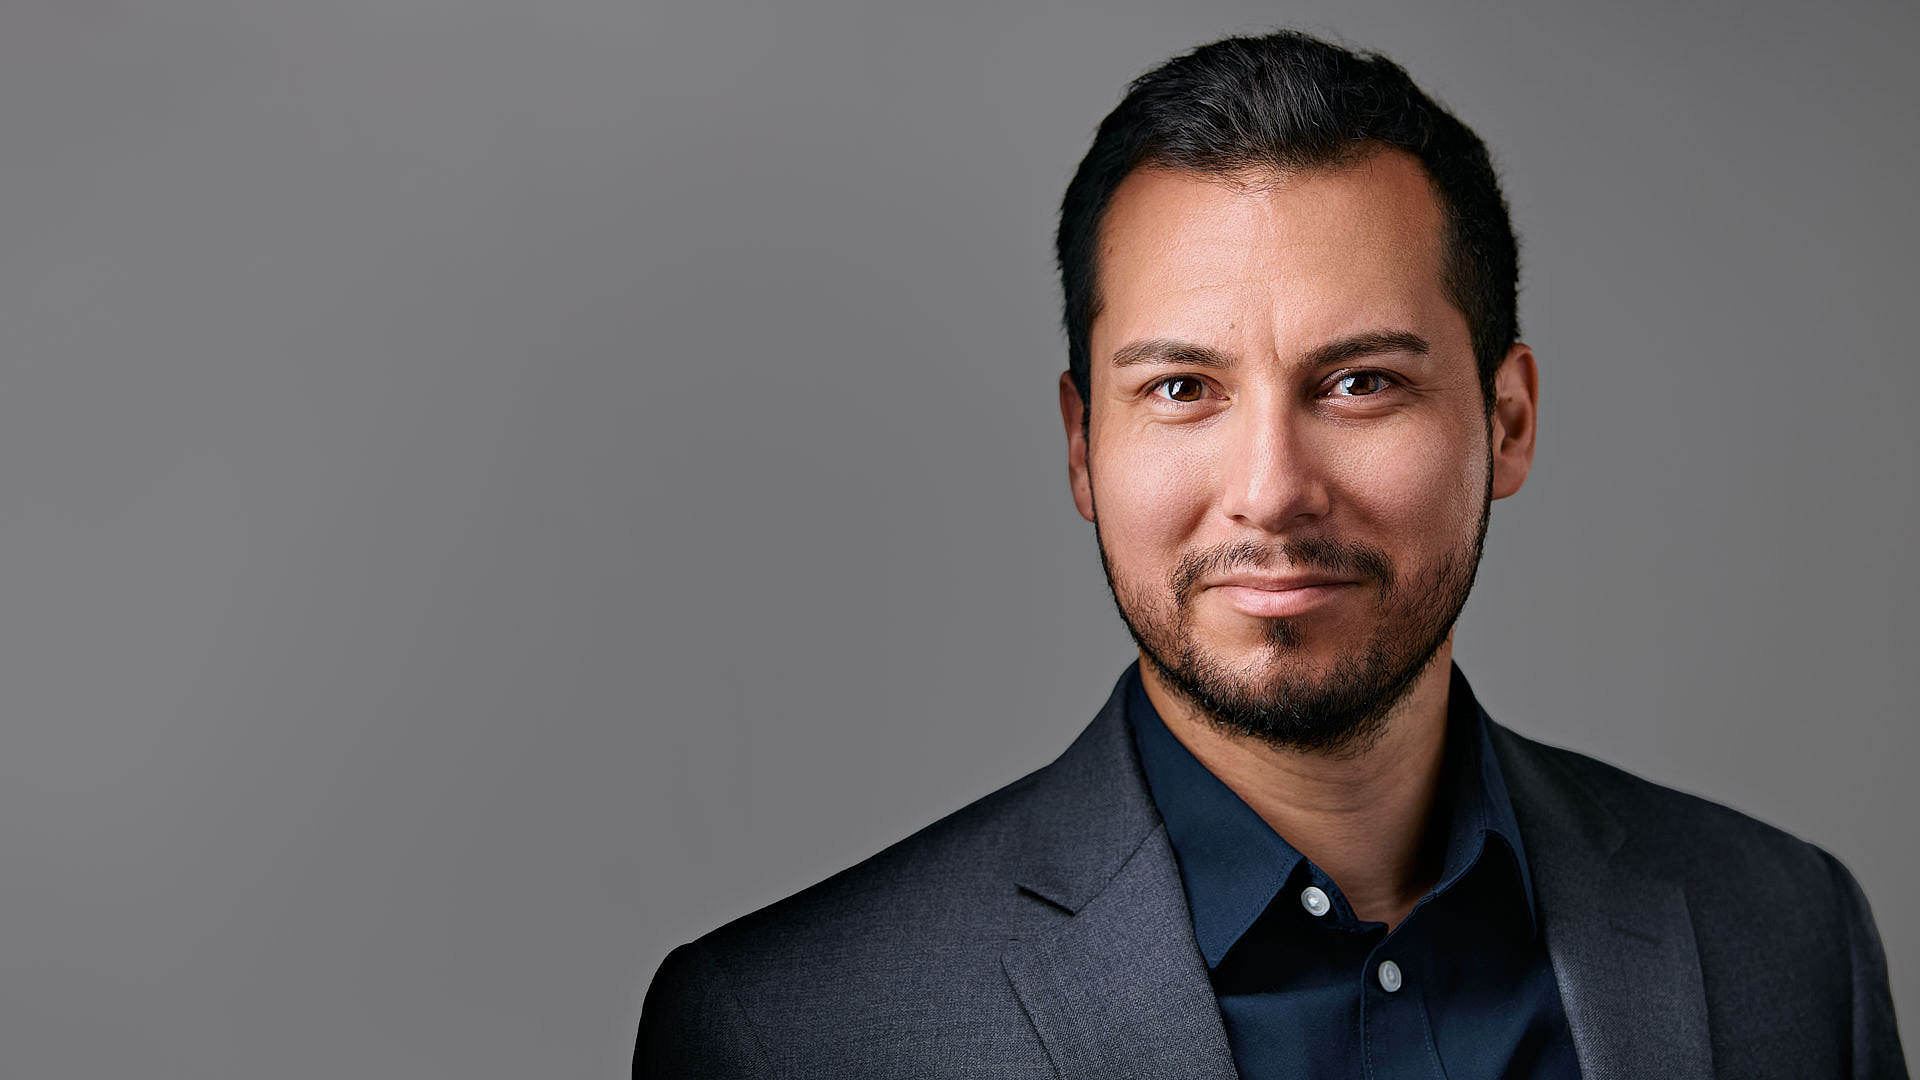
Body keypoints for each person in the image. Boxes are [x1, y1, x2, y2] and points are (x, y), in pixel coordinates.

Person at [634, 29, 1906, 1078]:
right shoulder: (788, 1035)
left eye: (1358, 383)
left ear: (1507, 421)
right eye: (1184, 389)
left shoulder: (1788, 939)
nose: (1272, 492)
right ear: (1084, 448)